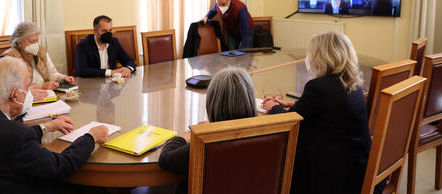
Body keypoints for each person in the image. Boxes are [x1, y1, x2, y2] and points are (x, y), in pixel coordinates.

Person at [0, 56, 109, 194]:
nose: (29, 94)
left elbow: (3, 142)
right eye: (27, 88)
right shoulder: (14, 135)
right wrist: (90, 137)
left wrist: (46, 127)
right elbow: (61, 166)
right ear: (15, 95)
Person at [262, 30, 372, 194]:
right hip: (358, 165)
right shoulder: (352, 83)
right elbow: (331, 107)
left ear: (321, 56)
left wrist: (273, 106)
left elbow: (290, 121)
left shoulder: (318, 87)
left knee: (276, 151)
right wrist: (291, 103)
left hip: (334, 176)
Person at [158, 66, 258, 194]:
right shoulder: (270, 134)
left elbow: (166, 160)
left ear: (213, 103)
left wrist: (183, 138)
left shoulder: (206, 142)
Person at [4, 22, 74, 100]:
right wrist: (42, 86)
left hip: (47, 93)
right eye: (32, 41)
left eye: (36, 41)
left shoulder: (41, 51)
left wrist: (62, 78)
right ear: (20, 42)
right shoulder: (10, 57)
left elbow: (51, 73)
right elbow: (14, 87)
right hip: (26, 99)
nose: (35, 45)